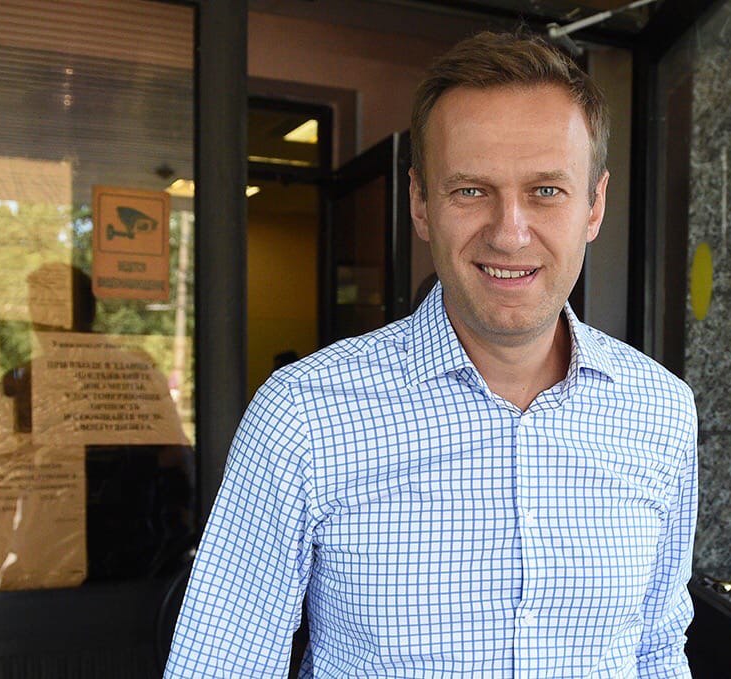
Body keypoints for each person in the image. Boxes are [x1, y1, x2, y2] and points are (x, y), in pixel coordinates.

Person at [166, 31, 697, 678]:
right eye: (470, 190)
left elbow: (657, 649)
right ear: (420, 203)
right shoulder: (303, 415)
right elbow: (220, 664)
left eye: (546, 191)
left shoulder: (662, 410)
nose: (509, 233)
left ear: (595, 204)